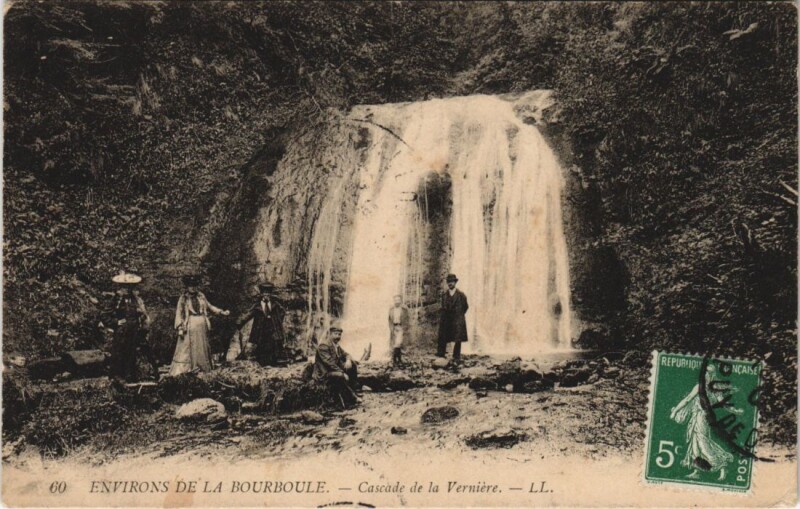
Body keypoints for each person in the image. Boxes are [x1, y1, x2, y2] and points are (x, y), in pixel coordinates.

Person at [669, 364, 740, 481]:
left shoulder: (715, 390)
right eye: (706, 373)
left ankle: (722, 466)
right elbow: (687, 400)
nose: (707, 375)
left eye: (710, 373)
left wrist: (734, 410)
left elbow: (724, 404)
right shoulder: (699, 387)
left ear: (713, 375)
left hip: (704, 417)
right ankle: (697, 471)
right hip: (696, 417)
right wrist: (675, 411)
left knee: (703, 442)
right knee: (694, 443)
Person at [102, 271, 159, 383]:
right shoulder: (116, 299)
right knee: (119, 351)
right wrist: (116, 322)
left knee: (132, 352)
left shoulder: (135, 299)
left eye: (129, 286)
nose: (127, 289)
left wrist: (140, 316)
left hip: (134, 330)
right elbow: (104, 314)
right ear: (120, 286)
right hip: (121, 331)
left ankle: (130, 376)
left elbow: (142, 312)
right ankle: (117, 376)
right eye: (124, 286)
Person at [169, 275, 230, 376]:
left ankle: (202, 369)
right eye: (191, 285)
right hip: (190, 325)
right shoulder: (183, 298)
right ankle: (186, 370)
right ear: (187, 287)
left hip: (201, 325)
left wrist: (221, 312)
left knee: (202, 347)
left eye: (195, 285)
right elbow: (179, 313)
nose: (193, 288)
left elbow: (209, 306)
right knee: (187, 347)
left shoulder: (201, 296)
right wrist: (180, 327)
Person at [237, 282, 286, 367]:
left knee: (273, 344)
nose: (266, 295)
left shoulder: (275, 304)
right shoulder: (257, 305)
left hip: (272, 328)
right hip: (261, 329)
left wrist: (277, 321)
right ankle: (262, 363)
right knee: (261, 345)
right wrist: (240, 322)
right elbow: (249, 314)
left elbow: (282, 312)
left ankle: (273, 362)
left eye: (268, 293)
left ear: (270, 294)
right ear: (261, 294)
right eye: (264, 293)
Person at [313, 325, 360, 407]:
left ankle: (353, 391)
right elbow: (329, 362)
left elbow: (347, 354)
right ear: (330, 334)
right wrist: (342, 372)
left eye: (339, 334)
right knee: (340, 376)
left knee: (353, 366)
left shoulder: (336, 345)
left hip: (333, 370)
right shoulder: (323, 345)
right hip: (324, 373)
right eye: (335, 334)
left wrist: (348, 360)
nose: (338, 336)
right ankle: (352, 397)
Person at [436, 273, 469, 361]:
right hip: (446, 319)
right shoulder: (444, 295)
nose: (450, 283)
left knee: (458, 338)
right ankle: (441, 354)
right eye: (448, 282)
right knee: (443, 336)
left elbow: (465, 307)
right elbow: (442, 307)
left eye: (452, 281)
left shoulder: (461, 295)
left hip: (457, 319)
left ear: (455, 282)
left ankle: (456, 356)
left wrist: (459, 315)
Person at [387, 294, 410, 368]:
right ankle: (399, 359)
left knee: (398, 343)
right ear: (394, 301)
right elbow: (389, 320)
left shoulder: (404, 309)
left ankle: (393, 359)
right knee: (395, 344)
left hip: (401, 327)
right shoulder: (391, 309)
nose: (397, 301)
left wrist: (405, 328)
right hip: (394, 327)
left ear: (401, 301)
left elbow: (407, 319)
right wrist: (391, 328)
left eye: (398, 300)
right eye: (396, 300)